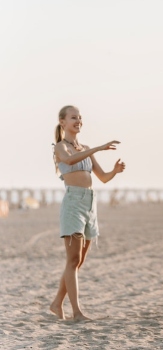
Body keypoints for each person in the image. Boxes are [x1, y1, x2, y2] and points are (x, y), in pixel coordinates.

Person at [49, 105, 125, 321]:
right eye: (74, 117)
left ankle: (56, 303)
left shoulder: (85, 148)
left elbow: (103, 178)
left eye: (80, 117)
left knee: (78, 261)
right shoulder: (60, 147)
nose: (78, 120)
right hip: (73, 203)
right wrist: (98, 148)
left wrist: (115, 171)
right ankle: (77, 312)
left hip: (90, 204)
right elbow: (70, 160)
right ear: (63, 122)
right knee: (72, 260)